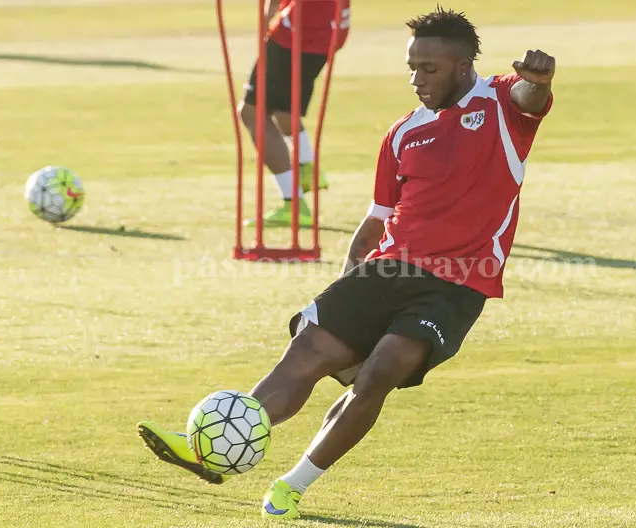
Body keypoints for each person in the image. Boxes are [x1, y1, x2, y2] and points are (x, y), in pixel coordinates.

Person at [137, 6, 554, 520]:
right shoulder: (403, 134)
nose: (417, 79)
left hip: (455, 285)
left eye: (430, 69)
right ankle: (213, 451)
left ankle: (293, 484)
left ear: (465, 64)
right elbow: (378, 217)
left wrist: (539, 79)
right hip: (386, 268)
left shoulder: (500, 103)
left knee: (379, 373)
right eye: (411, 67)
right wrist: (349, 280)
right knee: (307, 351)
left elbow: (530, 96)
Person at [240, 0, 351, 227]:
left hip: (297, 33)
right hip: (328, 29)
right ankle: (307, 168)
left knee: (252, 112)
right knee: (284, 110)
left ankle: (293, 203)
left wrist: (266, 20)